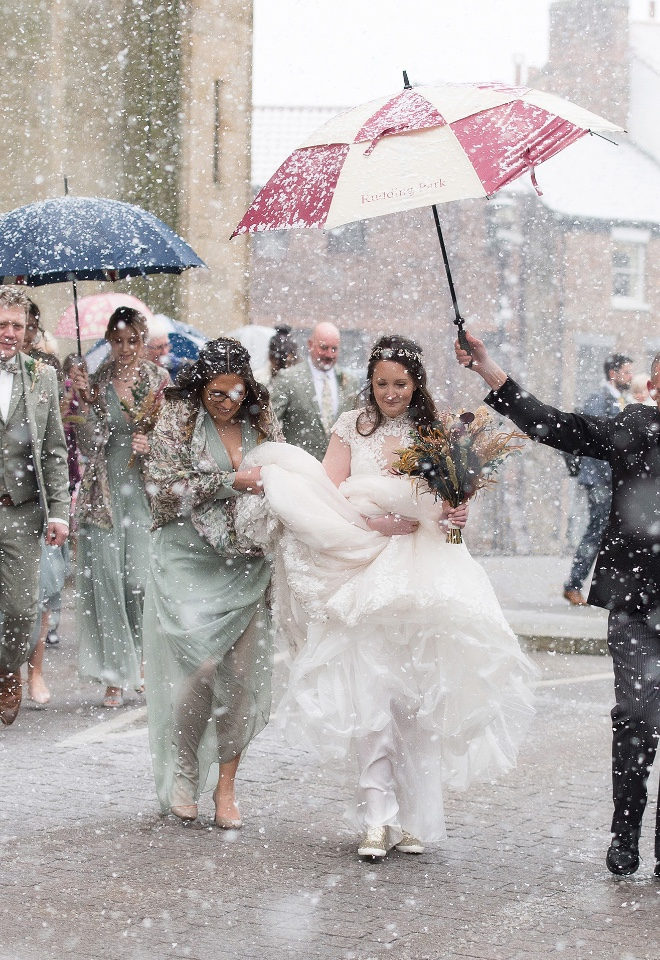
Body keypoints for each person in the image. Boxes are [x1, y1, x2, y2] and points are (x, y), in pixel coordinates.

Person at [240, 335, 537, 858]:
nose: (391, 393)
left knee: (416, 702)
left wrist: (455, 515)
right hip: (365, 568)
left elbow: (447, 513)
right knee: (372, 697)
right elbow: (329, 499)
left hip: (422, 572)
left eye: (400, 383)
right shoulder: (350, 428)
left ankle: (418, 818)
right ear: (370, 383)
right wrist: (376, 521)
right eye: (382, 383)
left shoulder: (436, 432)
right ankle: (376, 819)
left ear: (415, 383)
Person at [456, 330, 660, 878]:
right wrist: (489, 371)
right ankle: (625, 833)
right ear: (655, 384)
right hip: (639, 607)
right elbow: (560, 426)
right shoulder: (638, 429)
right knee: (637, 719)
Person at [143, 338, 281, 827]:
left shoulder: (262, 421)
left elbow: (281, 480)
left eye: (236, 392)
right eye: (216, 393)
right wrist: (231, 481)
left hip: (245, 563)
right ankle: (184, 769)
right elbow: (161, 487)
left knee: (241, 680)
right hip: (186, 559)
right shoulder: (177, 418)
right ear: (201, 386)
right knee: (200, 669)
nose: (227, 402)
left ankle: (227, 787)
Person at [70, 307, 169, 708]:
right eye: (118, 340)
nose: (126, 348)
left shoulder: (159, 381)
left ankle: (143, 658)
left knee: (139, 582)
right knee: (107, 583)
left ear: (143, 341)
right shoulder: (99, 381)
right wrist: (84, 400)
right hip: (105, 493)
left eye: (133, 340)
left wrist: (152, 444)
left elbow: (173, 440)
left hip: (143, 493)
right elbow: (90, 443)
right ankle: (114, 674)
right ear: (109, 340)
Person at [0, 287, 69, 726]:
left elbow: (55, 450)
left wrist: (59, 511)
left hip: (21, 509)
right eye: (2, 324)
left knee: (23, 609)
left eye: (17, 326)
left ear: (28, 331)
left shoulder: (42, 377)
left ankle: (8, 668)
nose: (9, 333)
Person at [563, 354, 633, 607]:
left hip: (613, 479)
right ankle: (573, 584)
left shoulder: (621, 400)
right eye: (626, 372)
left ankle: (607, 589)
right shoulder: (598, 400)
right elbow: (593, 436)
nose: (630, 377)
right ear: (612, 374)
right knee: (597, 531)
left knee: (610, 533)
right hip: (600, 479)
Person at [270, 321, 360, 460]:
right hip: (300, 468)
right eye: (324, 348)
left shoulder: (350, 381)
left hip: (338, 470)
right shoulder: (288, 378)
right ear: (310, 344)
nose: (329, 354)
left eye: (334, 349)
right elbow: (270, 424)